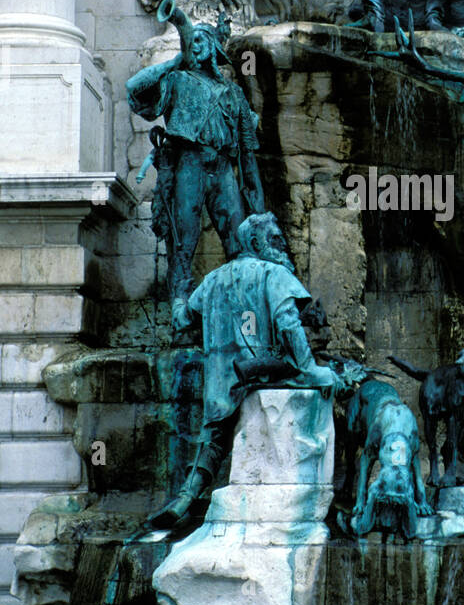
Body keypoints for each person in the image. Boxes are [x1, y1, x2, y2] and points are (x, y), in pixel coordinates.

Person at [144, 212, 340, 532]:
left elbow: (182, 318)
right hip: (263, 374)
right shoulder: (273, 273)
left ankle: (186, 496)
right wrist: (312, 371)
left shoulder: (213, 279)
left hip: (221, 386)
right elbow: (288, 323)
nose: (283, 245)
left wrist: (178, 285)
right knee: (332, 372)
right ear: (253, 242)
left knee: (214, 441)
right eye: (275, 239)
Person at [127, 0, 264, 303]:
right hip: (189, 165)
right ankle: (180, 317)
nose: (196, 45)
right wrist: (173, 62)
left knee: (238, 242)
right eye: (193, 40)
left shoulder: (234, 93)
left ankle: (241, 313)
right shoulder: (177, 80)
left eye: (202, 40)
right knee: (183, 244)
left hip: (224, 170)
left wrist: (258, 205)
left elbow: (248, 155)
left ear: (215, 48)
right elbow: (133, 89)